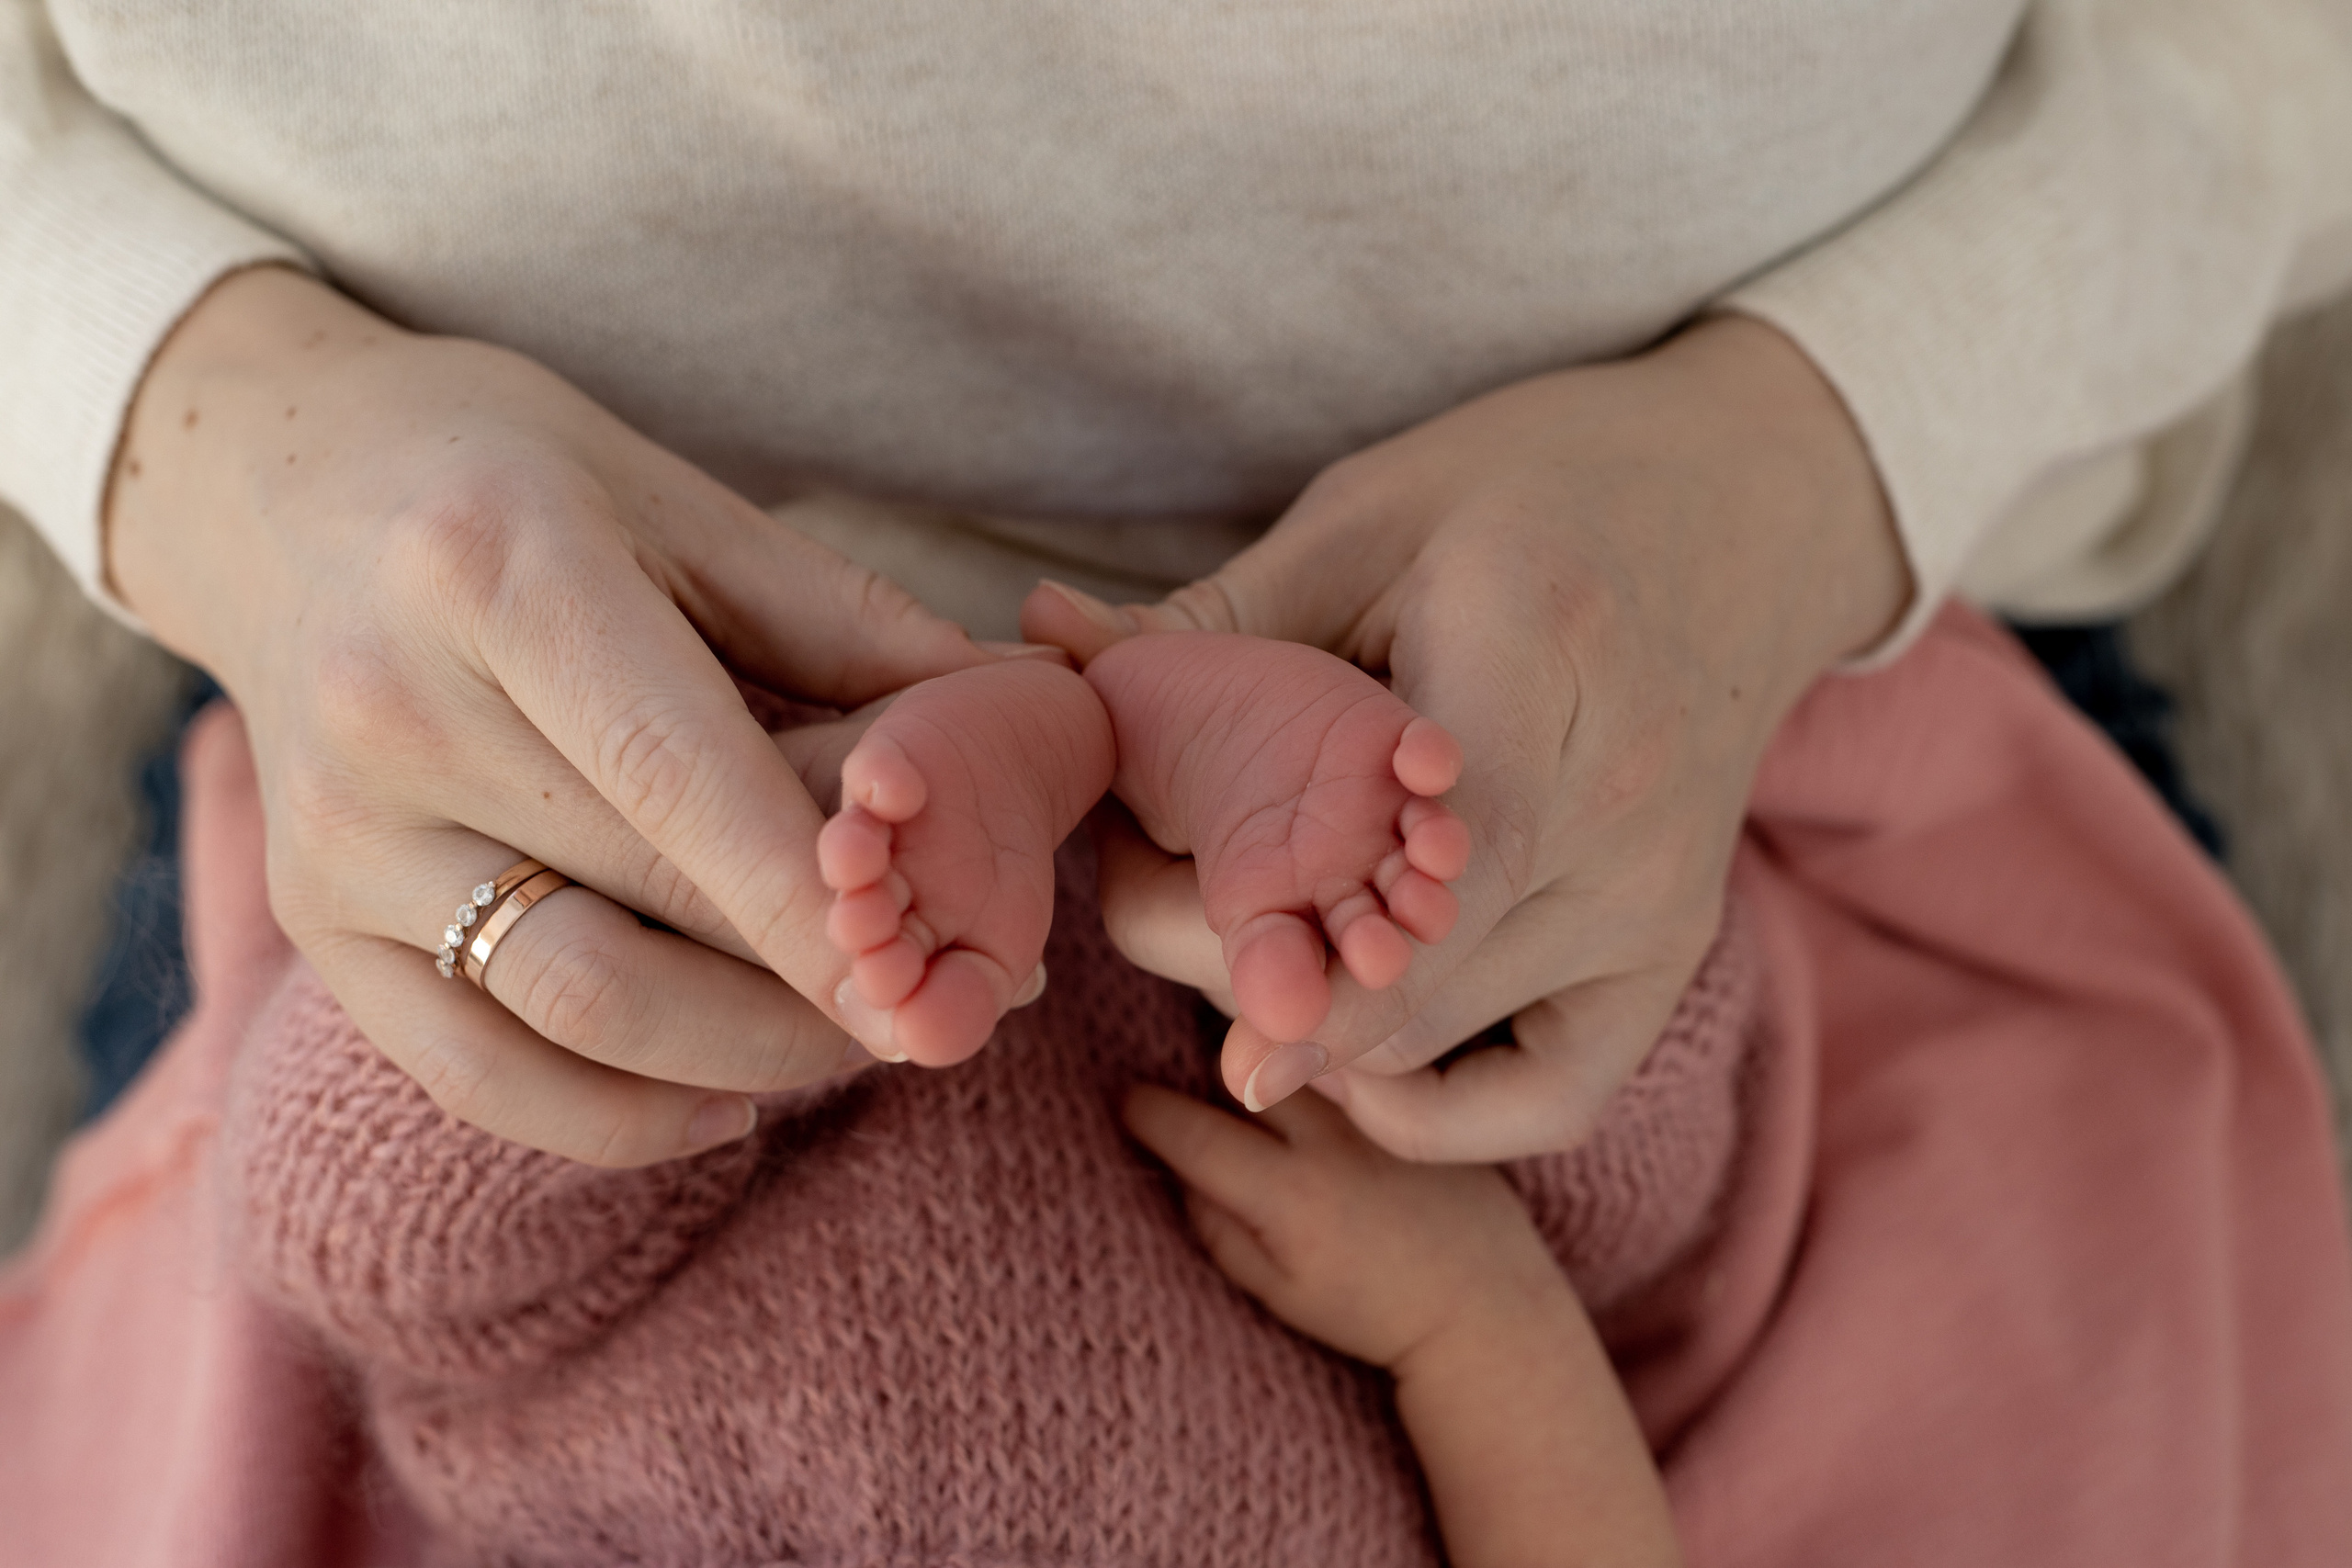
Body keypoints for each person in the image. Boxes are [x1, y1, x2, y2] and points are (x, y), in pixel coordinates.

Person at [9, 1, 2346, 1172]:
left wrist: (1814, 454)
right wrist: (208, 436)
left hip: (1750, 699)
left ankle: (1090, 759)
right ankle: (1099, 759)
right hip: (488, 755)